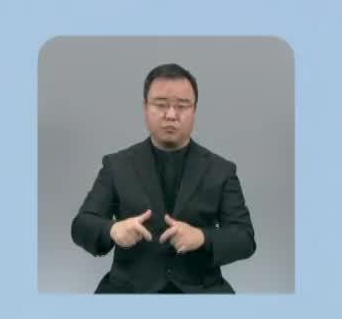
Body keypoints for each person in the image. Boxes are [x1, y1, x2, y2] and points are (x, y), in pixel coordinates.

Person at [69, 63, 257, 292]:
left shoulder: (221, 170)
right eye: (160, 105)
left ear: (195, 110)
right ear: (145, 108)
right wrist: (113, 230)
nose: (171, 115)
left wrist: (202, 237)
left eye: (182, 106)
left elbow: (245, 238)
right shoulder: (116, 165)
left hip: (201, 290)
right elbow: (81, 225)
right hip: (129, 291)